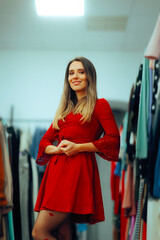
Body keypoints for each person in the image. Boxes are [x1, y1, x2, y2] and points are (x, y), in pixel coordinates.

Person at [32, 57, 120, 240]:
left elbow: (113, 140)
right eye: (71, 73)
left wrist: (78, 147)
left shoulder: (99, 104)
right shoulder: (64, 109)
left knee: (39, 232)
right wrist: (56, 150)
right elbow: (44, 142)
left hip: (75, 172)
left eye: (81, 72)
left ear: (90, 76)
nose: (75, 76)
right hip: (56, 173)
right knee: (62, 233)